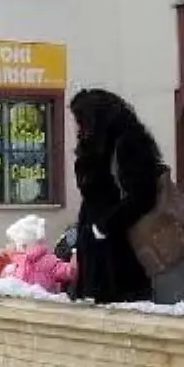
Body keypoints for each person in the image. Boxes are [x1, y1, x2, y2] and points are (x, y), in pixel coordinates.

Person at [68, 88, 166, 304]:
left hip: (120, 251)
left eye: (81, 120)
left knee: (120, 310)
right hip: (97, 248)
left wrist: (104, 226)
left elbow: (142, 196)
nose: (78, 128)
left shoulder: (128, 143)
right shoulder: (94, 146)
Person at [1, 214, 77, 294]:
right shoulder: (15, 265)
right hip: (20, 304)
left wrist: (76, 252)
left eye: (11, 242)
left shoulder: (48, 261)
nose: (7, 245)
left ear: (22, 244)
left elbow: (70, 271)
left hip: (44, 304)